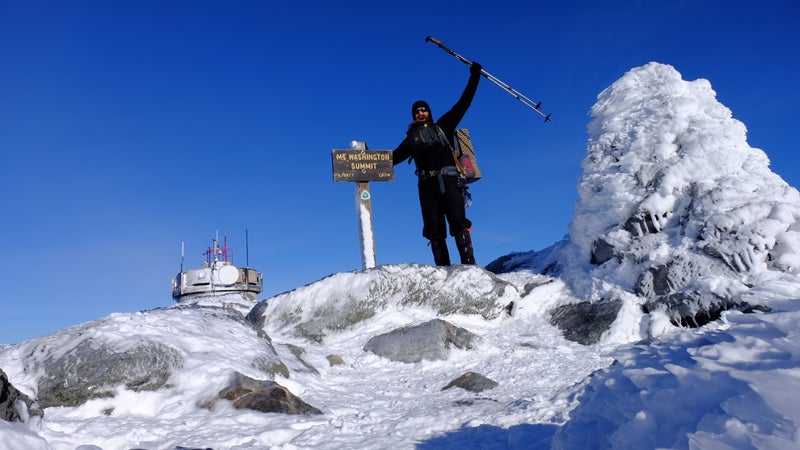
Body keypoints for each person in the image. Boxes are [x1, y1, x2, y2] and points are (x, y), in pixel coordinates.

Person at [392, 61, 482, 266]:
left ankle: (469, 268)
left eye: (423, 110)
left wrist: (474, 76)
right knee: (434, 230)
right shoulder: (410, 140)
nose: (420, 113)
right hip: (426, 186)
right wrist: (369, 157)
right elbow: (393, 158)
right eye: (416, 111)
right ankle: (443, 272)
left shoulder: (443, 125)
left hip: (449, 181)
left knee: (458, 223)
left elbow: (464, 102)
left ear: (429, 113)